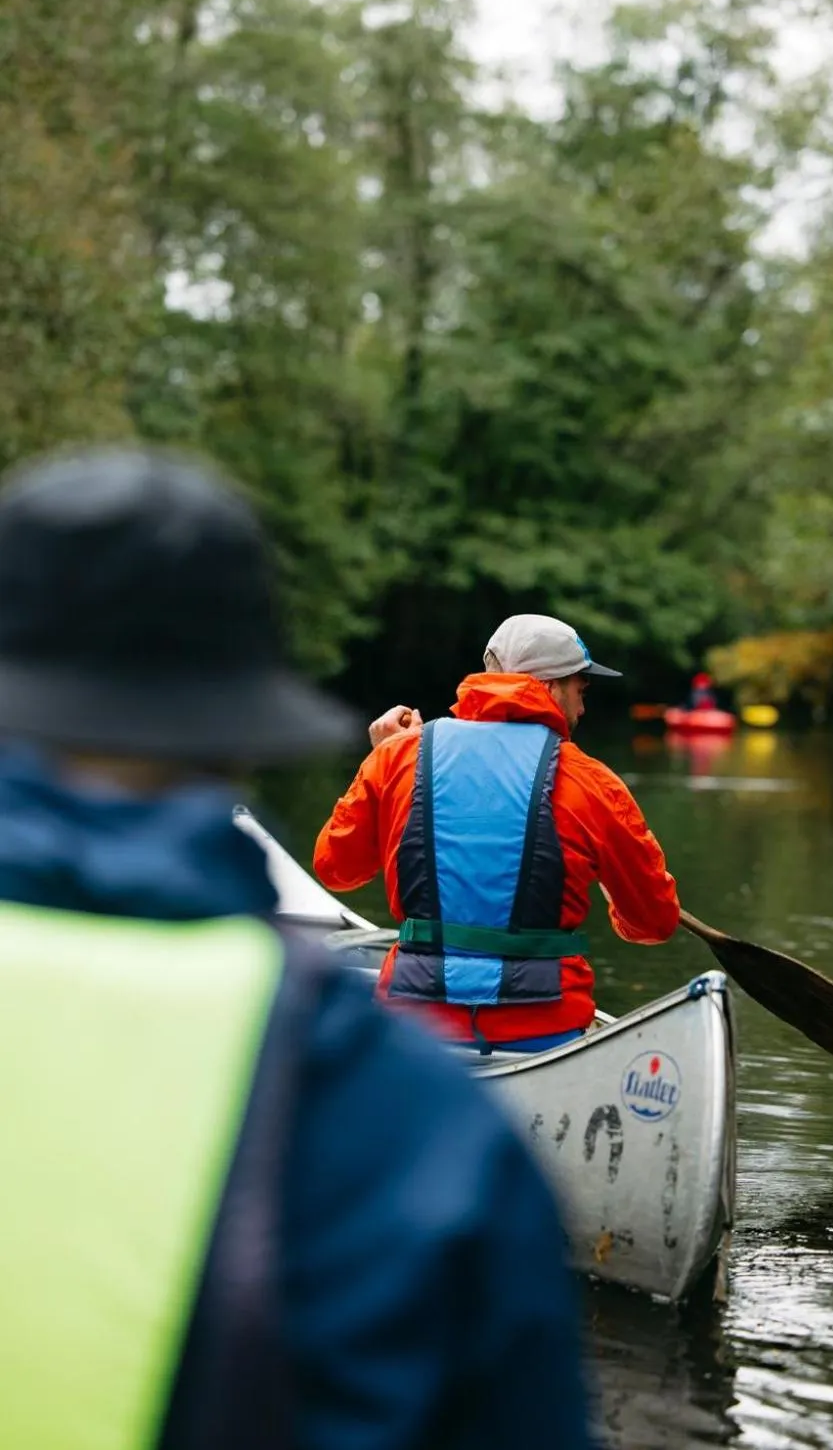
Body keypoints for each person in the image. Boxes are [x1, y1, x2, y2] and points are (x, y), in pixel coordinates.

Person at [0, 449, 593, 1450]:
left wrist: (385, 770)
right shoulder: (416, 1123)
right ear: (240, 730)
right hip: (523, 1024)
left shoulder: (408, 758)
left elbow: (337, 860)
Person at [314, 613, 681, 1051]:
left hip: (413, 1027)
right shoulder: (593, 782)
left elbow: (337, 870)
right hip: (542, 1029)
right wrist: (612, 896)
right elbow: (654, 922)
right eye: (580, 691)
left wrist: (379, 760)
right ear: (550, 686)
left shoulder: (398, 757)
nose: (582, 709)